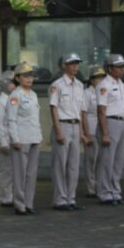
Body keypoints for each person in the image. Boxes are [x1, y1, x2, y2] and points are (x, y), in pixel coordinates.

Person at [49, 53, 87, 211]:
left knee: (73, 165)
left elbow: (80, 111)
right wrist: (58, 131)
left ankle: (71, 199)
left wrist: (82, 132)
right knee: (60, 165)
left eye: (77, 63)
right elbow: (53, 108)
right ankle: (60, 200)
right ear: (64, 66)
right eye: (72, 64)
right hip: (63, 125)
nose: (75, 66)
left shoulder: (80, 85)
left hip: (75, 126)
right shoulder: (57, 85)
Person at [7, 62, 42, 215]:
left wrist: (39, 136)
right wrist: (15, 138)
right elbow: (11, 119)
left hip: (34, 138)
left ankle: (29, 203)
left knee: (31, 174)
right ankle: (19, 204)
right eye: (25, 76)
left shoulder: (33, 95)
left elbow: (35, 118)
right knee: (20, 174)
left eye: (31, 75)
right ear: (18, 78)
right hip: (21, 139)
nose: (29, 78)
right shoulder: (15, 95)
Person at [95, 54, 124, 205]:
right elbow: (101, 111)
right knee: (107, 160)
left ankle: (115, 191)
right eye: (118, 67)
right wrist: (105, 133)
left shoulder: (121, 84)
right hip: (110, 122)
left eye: (123, 66)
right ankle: (104, 193)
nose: (122, 69)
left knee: (118, 160)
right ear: (109, 68)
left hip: (122, 122)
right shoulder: (104, 85)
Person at [0, 70, 16, 207]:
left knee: (13, 170)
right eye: (12, 82)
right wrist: (3, 143)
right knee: (6, 171)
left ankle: (12, 195)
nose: (15, 85)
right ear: (6, 84)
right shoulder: (0, 102)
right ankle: (6, 197)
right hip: (5, 141)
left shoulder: (13, 100)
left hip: (13, 140)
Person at [83, 66, 106, 198]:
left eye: (103, 77)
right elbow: (83, 113)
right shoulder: (87, 93)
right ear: (92, 80)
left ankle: (100, 186)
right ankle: (90, 187)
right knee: (91, 159)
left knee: (102, 159)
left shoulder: (104, 92)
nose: (101, 80)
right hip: (91, 129)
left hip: (102, 129)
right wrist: (86, 133)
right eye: (98, 78)